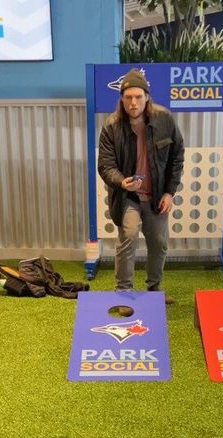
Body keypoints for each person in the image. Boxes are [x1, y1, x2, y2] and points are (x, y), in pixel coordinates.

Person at [98, 69, 184, 304]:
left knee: (159, 242)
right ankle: (124, 293)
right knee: (129, 235)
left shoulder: (164, 119)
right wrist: (121, 181)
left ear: (147, 97)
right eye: (128, 97)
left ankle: (154, 289)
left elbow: (177, 156)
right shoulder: (112, 126)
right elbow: (105, 165)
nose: (133, 103)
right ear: (121, 99)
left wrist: (169, 192)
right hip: (128, 196)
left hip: (157, 194)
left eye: (138, 97)